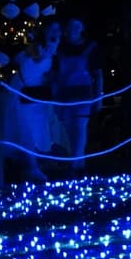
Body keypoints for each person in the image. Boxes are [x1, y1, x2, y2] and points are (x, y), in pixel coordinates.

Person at [50, 18, 103, 170]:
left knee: (80, 128)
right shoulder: (59, 47)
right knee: (69, 129)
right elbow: (54, 74)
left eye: (77, 25)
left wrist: (99, 97)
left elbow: (98, 74)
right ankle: (79, 163)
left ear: (82, 27)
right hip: (64, 95)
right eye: (71, 25)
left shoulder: (91, 47)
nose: (73, 28)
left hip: (83, 95)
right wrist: (54, 97)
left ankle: (75, 165)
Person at [7, 24, 56, 181]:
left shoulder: (50, 51)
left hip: (40, 99)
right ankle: (31, 167)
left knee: (38, 132)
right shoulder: (29, 58)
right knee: (27, 133)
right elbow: (25, 73)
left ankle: (35, 165)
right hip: (26, 98)